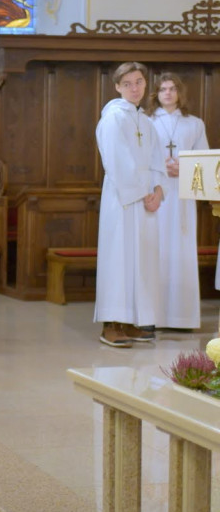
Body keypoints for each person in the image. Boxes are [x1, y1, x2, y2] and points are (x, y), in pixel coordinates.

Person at [95, 62, 166, 348]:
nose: (134, 88)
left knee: (141, 262)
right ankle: (111, 324)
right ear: (117, 87)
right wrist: (141, 192)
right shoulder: (113, 118)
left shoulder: (146, 122)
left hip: (146, 202)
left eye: (139, 82)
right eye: (128, 84)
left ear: (146, 85)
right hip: (122, 201)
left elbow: (157, 159)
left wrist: (158, 191)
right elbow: (115, 161)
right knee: (119, 259)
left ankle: (132, 320)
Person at [150, 73, 208, 331]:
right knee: (156, 249)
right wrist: (160, 167)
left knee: (180, 250)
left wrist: (182, 169)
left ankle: (182, 317)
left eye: (172, 89)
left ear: (179, 93)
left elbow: (203, 162)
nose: (168, 93)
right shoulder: (147, 122)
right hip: (156, 192)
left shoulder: (194, 124)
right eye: (163, 89)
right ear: (156, 94)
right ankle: (153, 316)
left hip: (182, 196)